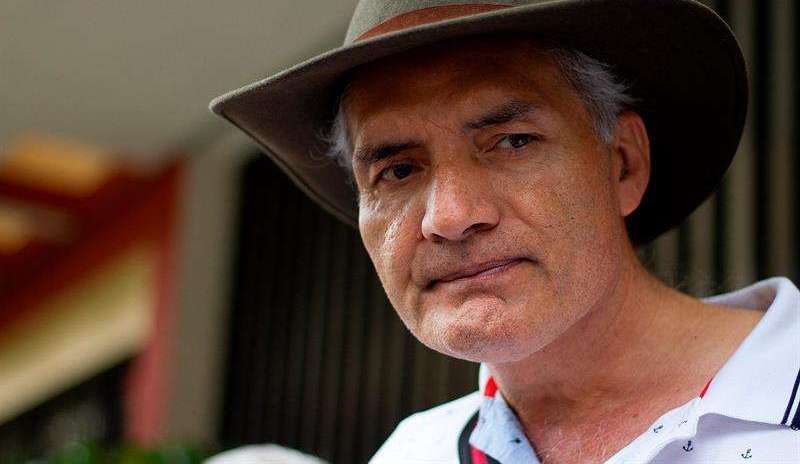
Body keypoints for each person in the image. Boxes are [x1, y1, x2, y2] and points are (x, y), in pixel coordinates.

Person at [210, 1, 800, 462]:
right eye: (398, 171)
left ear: (622, 162)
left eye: (512, 142)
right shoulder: (413, 455)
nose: (449, 216)